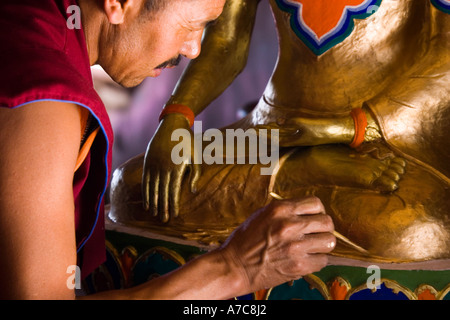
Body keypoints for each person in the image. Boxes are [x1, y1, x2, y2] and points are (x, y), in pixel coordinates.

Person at [0, 0, 336, 299]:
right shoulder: (41, 104)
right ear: (119, 4)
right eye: (194, 26)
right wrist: (234, 268)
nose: (193, 50)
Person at [109, 0, 450, 262]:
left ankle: (297, 174)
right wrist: (177, 118)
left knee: (412, 230)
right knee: (132, 185)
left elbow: (443, 57)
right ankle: (302, 171)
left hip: (383, 141)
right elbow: (226, 42)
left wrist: (347, 127)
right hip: (267, 134)